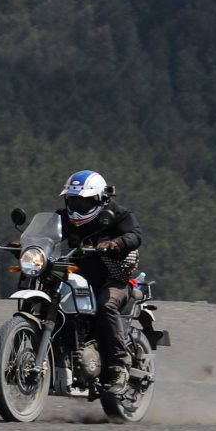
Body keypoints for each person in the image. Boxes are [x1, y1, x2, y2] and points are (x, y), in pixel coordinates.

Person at [57, 169, 143, 395]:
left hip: (114, 278)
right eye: (72, 201)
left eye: (83, 202)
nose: (77, 207)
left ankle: (119, 366)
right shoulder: (65, 217)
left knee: (106, 305)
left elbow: (135, 235)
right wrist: (26, 243)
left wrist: (116, 243)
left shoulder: (118, 214)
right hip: (80, 275)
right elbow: (48, 232)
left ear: (99, 199)